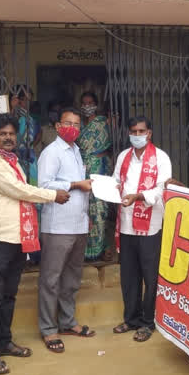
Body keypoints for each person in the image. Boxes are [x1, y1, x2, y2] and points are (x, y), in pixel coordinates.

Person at [0, 113, 70, 375]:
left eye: (11, 134)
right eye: (2, 134)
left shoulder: (13, 161)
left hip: (16, 238)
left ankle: (3, 342)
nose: (8, 138)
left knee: (8, 295)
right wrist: (52, 195)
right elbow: (19, 190)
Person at [36, 107, 95, 353]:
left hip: (78, 224)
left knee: (71, 278)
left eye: (77, 124)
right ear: (59, 126)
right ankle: (49, 329)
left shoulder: (76, 151)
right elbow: (44, 185)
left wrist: (86, 214)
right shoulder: (51, 153)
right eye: (68, 123)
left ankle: (68, 322)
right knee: (51, 279)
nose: (73, 127)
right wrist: (76, 184)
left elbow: (82, 189)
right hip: (57, 225)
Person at [111, 116, 172, 342]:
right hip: (126, 224)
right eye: (133, 131)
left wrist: (138, 197)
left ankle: (148, 322)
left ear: (150, 133)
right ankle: (131, 319)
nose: (137, 135)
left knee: (150, 275)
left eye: (141, 131)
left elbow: (161, 189)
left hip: (151, 225)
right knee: (129, 275)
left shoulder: (161, 158)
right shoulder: (123, 156)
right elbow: (116, 180)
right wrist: (110, 189)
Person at [76, 91, 114, 262]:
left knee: (100, 210)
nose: (87, 106)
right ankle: (86, 250)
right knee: (84, 209)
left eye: (90, 102)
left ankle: (103, 247)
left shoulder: (103, 122)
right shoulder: (79, 125)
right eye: (84, 103)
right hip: (82, 171)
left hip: (100, 170)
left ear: (96, 105)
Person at [10, 85, 41, 186]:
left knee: (32, 188)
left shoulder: (29, 118)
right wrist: (12, 109)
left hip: (29, 158)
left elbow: (37, 135)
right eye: (23, 100)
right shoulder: (10, 116)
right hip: (14, 158)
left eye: (29, 100)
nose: (26, 104)